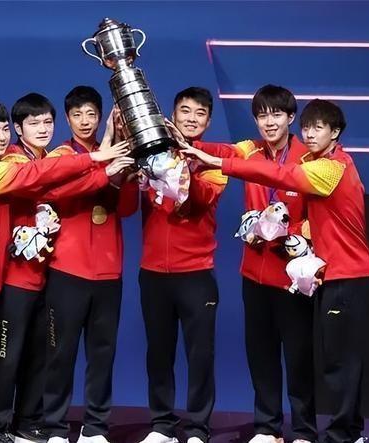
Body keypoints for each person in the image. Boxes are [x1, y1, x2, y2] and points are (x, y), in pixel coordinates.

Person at [0, 99, 128, 443]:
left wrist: (104, 153)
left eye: (3, 129)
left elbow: (45, 184)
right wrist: (97, 160)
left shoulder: (0, 163)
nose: (1, 136)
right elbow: (38, 176)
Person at [182, 99, 369, 443]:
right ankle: (342, 432)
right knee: (334, 360)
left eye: (319, 128)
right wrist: (192, 146)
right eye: (308, 127)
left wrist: (219, 164)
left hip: (345, 273)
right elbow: (231, 152)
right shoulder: (307, 158)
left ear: (335, 133)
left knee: (339, 362)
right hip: (328, 273)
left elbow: (280, 175)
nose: (310, 134)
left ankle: (340, 435)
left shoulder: (330, 167)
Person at [194, 85, 317, 443]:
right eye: (262, 115)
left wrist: (293, 232)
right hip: (254, 272)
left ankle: (305, 430)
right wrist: (186, 143)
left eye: (276, 114)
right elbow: (221, 153)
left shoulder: (308, 157)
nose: (269, 122)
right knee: (261, 353)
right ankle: (267, 427)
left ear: (291, 117)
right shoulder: (250, 150)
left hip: (292, 275)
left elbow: (321, 215)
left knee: (298, 356)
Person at [41, 86, 139, 443]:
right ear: (68, 119)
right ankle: (54, 427)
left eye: (91, 114)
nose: (84, 121)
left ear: (100, 117)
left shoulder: (118, 153)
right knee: (60, 354)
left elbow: (126, 209)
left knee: (102, 354)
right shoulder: (62, 156)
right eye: (77, 115)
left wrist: (126, 176)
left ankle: (95, 427)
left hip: (109, 273)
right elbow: (55, 193)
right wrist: (103, 168)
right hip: (67, 270)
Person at [137, 87, 226, 443]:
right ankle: (162, 425)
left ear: (208, 121)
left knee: (200, 355)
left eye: (200, 113)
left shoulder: (214, 161)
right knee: (158, 353)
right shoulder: (150, 153)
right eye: (185, 110)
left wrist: (180, 164)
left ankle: (198, 428)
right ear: (172, 115)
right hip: (153, 273)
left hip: (196, 274)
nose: (191, 118)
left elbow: (197, 200)